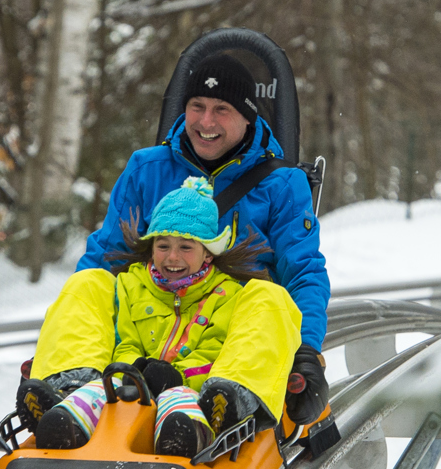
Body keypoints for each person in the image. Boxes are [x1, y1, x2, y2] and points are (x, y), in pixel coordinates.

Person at [78, 52, 331, 426]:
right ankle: (73, 383)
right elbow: (107, 257)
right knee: (88, 283)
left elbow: (303, 272)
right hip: (146, 328)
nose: (205, 121)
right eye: (197, 106)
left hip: (228, 337)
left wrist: (307, 351)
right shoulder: (147, 169)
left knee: (270, 296)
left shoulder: (281, 184)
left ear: (249, 117)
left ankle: (230, 398)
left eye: (221, 109)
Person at [18, 178, 301, 457]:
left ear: (208, 255)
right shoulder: (130, 287)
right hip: (120, 390)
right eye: (163, 246)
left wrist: (178, 376)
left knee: (268, 298)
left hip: (195, 394)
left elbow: (217, 353)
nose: (172, 258)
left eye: (186, 247)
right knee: (88, 282)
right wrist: (135, 370)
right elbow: (123, 340)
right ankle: (67, 401)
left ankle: (221, 415)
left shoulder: (227, 297)